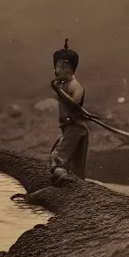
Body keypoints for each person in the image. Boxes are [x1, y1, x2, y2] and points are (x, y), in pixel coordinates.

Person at [49, 39, 89, 185]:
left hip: (75, 127)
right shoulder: (62, 84)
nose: (60, 70)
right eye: (58, 66)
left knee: (58, 157)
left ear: (72, 69)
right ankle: (75, 185)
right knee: (75, 164)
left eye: (65, 67)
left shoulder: (75, 86)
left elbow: (74, 106)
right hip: (69, 127)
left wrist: (58, 91)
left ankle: (66, 184)